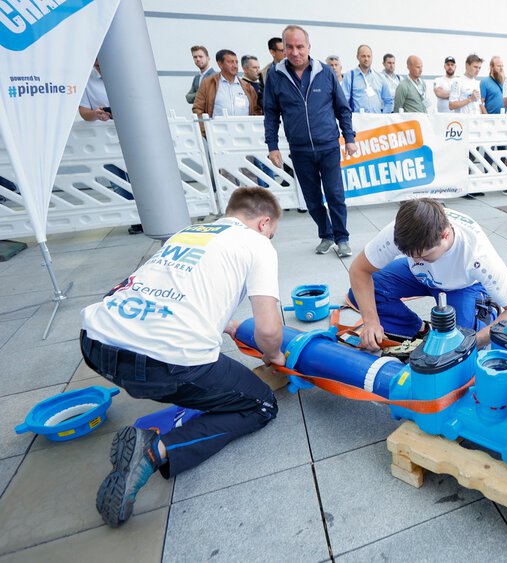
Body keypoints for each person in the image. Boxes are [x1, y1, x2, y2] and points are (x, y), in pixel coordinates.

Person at [82, 186, 283, 528]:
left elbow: (177, 291)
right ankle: (153, 452)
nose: (271, 238)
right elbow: (268, 329)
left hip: (95, 343)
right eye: (273, 233)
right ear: (264, 223)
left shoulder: (189, 233)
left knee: (188, 373)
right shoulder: (257, 244)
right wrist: (273, 354)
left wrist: (229, 325)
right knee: (261, 405)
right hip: (161, 364)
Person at [348, 198, 507, 350]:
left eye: (424, 256)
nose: (417, 261)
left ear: (445, 235)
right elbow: (359, 270)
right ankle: (417, 330)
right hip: (417, 277)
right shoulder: (401, 231)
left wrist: (472, 343)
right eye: (410, 256)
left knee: (458, 341)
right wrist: (370, 321)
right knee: (361, 294)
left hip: (462, 285)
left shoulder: (478, 255)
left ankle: (483, 311)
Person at [264, 25, 357, 257]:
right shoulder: (275, 76)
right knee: (312, 199)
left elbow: (342, 108)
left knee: (335, 195)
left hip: (328, 146)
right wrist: (272, 146)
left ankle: (342, 237)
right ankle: (325, 235)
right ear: (283, 49)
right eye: (289, 47)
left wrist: (349, 137)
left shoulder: (325, 72)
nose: (295, 52)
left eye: (300, 46)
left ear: (308, 47)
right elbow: (271, 113)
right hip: (300, 150)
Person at [79, 60, 142, 235]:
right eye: (95, 62)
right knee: (117, 180)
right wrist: (96, 114)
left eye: (101, 60)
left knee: (138, 177)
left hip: (132, 133)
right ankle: (134, 218)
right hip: (105, 138)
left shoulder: (127, 75)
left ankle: (148, 214)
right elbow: (84, 113)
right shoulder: (87, 81)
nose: (98, 64)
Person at [193, 49, 261, 124]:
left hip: (244, 134)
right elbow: (198, 110)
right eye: (230, 62)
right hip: (217, 133)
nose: (235, 66)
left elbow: (256, 111)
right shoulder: (208, 84)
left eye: (236, 62)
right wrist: (205, 131)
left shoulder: (248, 87)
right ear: (220, 64)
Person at [343, 45, 393, 113]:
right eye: (363, 56)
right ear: (357, 57)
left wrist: (383, 117)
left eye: (368, 56)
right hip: (358, 120)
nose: (366, 59)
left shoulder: (380, 77)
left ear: (372, 57)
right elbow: (344, 101)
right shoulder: (350, 76)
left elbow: (389, 101)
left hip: (377, 121)